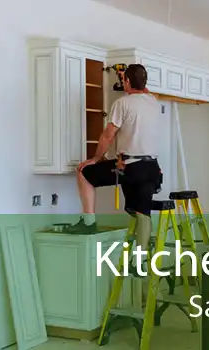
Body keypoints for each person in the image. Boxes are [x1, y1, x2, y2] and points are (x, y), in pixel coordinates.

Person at [65, 64, 162, 261]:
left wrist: (96, 158)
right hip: (152, 168)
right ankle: (141, 261)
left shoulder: (122, 104)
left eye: (124, 80)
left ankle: (88, 221)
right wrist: (130, 77)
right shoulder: (153, 101)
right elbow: (142, 89)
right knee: (143, 213)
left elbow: (107, 136)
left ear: (126, 81)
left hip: (128, 166)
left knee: (85, 173)